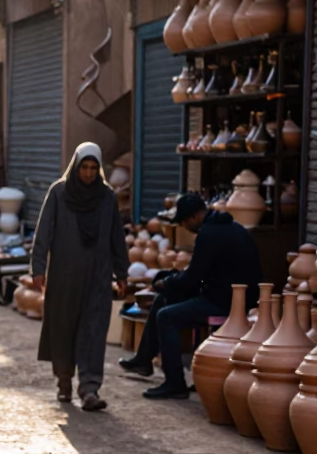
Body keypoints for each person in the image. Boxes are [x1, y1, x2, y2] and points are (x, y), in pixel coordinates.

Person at [120, 192, 261, 400]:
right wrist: (171, 283)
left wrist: (165, 282)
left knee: (166, 316)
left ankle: (175, 382)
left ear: (194, 216)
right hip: (230, 294)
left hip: (227, 303)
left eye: (185, 221)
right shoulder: (232, 227)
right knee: (163, 300)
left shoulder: (209, 234)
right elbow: (203, 272)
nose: (185, 227)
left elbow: (193, 278)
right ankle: (143, 360)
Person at [30, 142, 128, 412]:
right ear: (76, 166)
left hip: (97, 276)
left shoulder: (107, 197)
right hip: (64, 275)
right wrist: (38, 268)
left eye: (93, 168)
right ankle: (64, 382)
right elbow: (44, 232)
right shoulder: (59, 193)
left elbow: (116, 236)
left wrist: (122, 272)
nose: (87, 173)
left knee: (94, 331)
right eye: (84, 167)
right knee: (64, 329)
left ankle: (89, 388)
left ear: (99, 170)